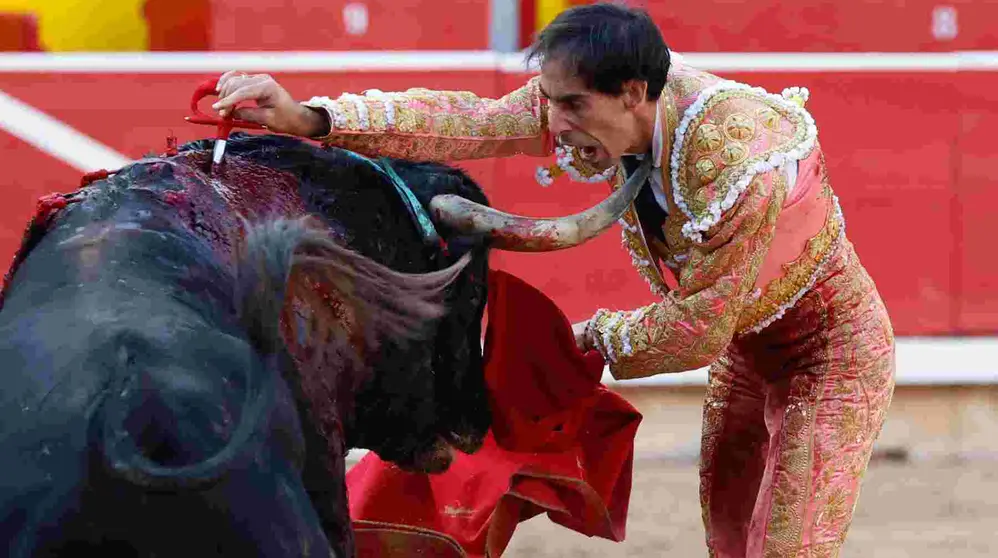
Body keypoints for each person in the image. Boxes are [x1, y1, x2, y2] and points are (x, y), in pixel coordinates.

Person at [212, 4, 895, 556]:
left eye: (571, 107)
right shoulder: (606, 98)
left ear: (632, 94)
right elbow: (470, 124)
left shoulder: (734, 156)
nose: (558, 129)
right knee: (729, 542)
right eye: (551, 104)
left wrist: (577, 343)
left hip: (830, 356)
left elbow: (695, 331)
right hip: (746, 360)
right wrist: (311, 119)